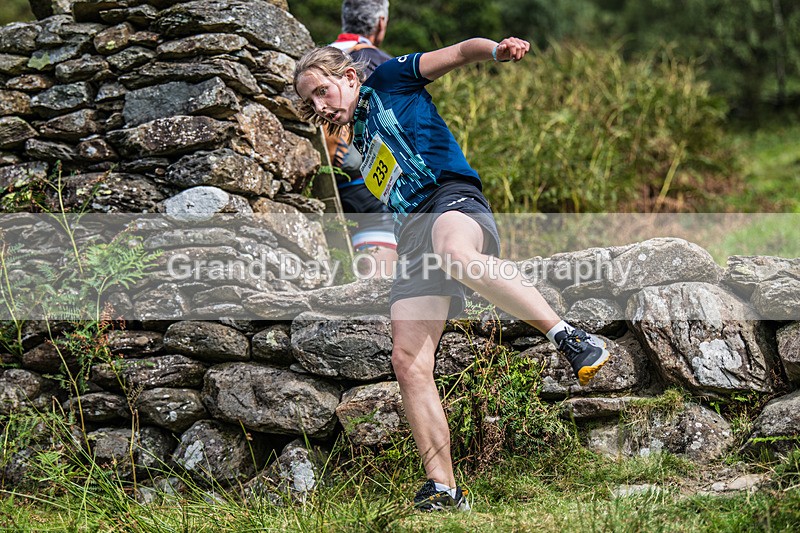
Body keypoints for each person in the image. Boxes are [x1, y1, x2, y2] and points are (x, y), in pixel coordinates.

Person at [293, 37, 612, 511]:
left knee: (455, 252)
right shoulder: (355, 135)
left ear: (349, 77)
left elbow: (462, 52)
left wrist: (497, 51)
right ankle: (444, 488)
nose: (318, 105)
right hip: (413, 234)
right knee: (408, 361)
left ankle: (571, 338)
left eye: (322, 91)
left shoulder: (388, 79)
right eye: (309, 101)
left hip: (452, 200)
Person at [325, 0, 398, 277]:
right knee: (378, 287)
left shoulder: (315, 59)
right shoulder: (377, 60)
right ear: (381, 22)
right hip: (365, 181)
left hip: (325, 177)